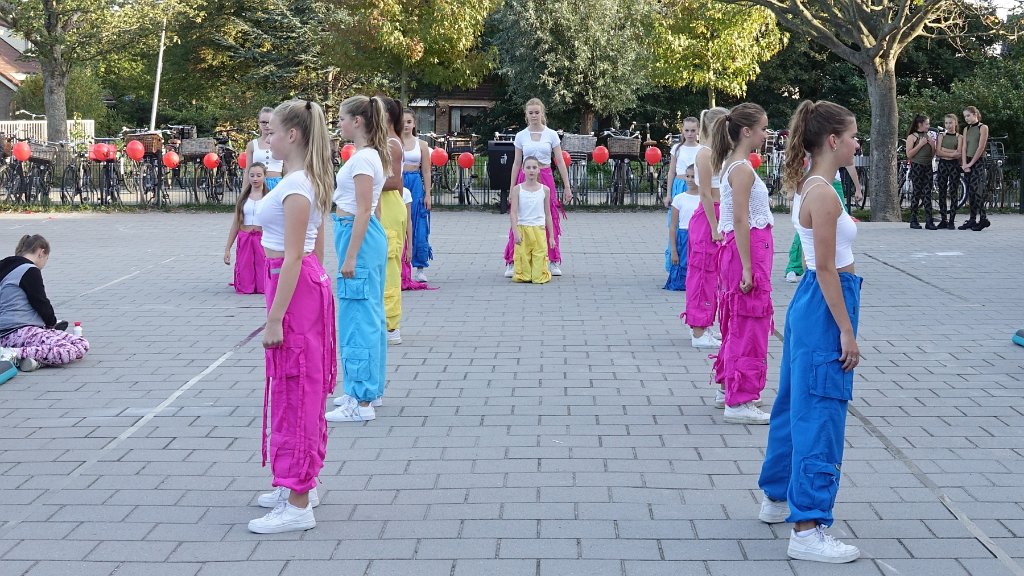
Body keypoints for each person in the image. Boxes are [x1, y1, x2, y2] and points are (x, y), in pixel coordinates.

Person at [758, 100, 863, 564]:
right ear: (834, 141)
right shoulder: (824, 193)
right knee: (820, 411)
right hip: (826, 304)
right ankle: (808, 527)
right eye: (855, 136)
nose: (859, 143)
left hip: (811, 305)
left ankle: (776, 497)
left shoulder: (812, 185)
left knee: (793, 403)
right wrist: (846, 330)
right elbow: (824, 268)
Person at [248, 99, 337, 534]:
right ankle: (296, 481)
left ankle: (299, 501)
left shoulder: (299, 185)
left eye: (273, 132)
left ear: (294, 136)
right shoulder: (295, 180)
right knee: (290, 387)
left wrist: (276, 318)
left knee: (300, 386)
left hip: (293, 285)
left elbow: (300, 256)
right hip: (293, 284)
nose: (268, 137)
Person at [325, 95, 390, 423]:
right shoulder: (369, 156)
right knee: (371, 316)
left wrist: (350, 257)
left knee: (358, 320)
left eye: (341, 118)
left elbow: (365, 208)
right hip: (362, 236)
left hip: (357, 236)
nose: (338, 123)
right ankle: (369, 390)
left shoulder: (364, 159)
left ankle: (360, 400)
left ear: (358, 121)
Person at [709, 103, 773, 425]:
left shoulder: (735, 165)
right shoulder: (742, 169)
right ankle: (740, 399)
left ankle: (728, 385)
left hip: (742, 250)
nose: (766, 133)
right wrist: (748, 267)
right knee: (749, 322)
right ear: (746, 131)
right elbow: (741, 220)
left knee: (736, 319)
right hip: (747, 250)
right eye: (763, 128)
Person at [503, 98, 573, 278]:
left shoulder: (551, 135)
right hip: (524, 179)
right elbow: (517, 162)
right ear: (526, 115)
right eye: (531, 112)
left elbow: (559, 161)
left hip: (546, 177)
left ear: (542, 113)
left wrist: (567, 186)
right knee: (519, 217)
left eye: (537, 112)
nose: (534, 116)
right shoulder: (521, 136)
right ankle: (512, 260)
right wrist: (512, 188)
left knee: (549, 216)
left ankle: (552, 259)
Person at [0, 235, 88, 371]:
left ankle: (34, 361)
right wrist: (51, 323)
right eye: (46, 259)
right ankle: (10, 354)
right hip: (16, 331)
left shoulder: (5, 267)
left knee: (81, 343)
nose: (44, 265)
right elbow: (41, 302)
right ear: (41, 253)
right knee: (66, 351)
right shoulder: (29, 269)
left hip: (22, 330)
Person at [682, 107, 728, 350]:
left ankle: (706, 325)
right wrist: (714, 227)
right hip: (709, 217)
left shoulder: (716, 153)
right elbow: (705, 194)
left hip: (717, 214)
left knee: (712, 276)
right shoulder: (705, 154)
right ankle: (698, 332)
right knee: (702, 274)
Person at [784, 165, 861, 283]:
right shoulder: (815, 150)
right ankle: (794, 267)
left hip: (834, 183)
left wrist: (858, 188)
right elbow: (798, 161)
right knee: (806, 229)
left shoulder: (839, 152)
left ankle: (838, 267)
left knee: (840, 228)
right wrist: (792, 187)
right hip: (814, 182)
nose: (856, 145)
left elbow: (850, 164)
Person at [379, 98, 409, 345]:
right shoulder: (380, 141)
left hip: (389, 206)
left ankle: (391, 324)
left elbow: (395, 181)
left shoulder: (391, 144)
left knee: (389, 266)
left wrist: (364, 182)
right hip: (381, 207)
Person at [510, 156, 554, 284]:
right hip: (523, 228)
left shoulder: (545, 190)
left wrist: (551, 236)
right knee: (523, 271)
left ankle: (540, 271)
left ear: (539, 170)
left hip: (539, 229)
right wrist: (515, 232)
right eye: (528, 167)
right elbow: (513, 213)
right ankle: (524, 272)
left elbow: (548, 214)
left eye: (534, 167)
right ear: (523, 170)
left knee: (537, 276)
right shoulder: (517, 189)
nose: (531, 170)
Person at [224, 163, 267, 294]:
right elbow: (236, 223)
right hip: (245, 237)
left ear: (264, 176)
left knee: (263, 282)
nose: (255, 179)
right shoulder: (243, 198)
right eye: (252, 175)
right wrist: (227, 248)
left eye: (259, 175)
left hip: (262, 238)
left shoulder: (269, 197)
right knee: (245, 279)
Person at [664, 117, 700, 271]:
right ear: (682, 131)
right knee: (675, 224)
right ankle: (674, 262)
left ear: (698, 130)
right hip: (679, 185)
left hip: (696, 187)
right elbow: (671, 171)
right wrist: (668, 193)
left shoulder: (702, 149)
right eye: (687, 130)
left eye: (693, 130)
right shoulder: (677, 149)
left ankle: (692, 261)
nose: (690, 133)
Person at [402, 109, 433, 282]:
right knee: (399, 222)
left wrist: (427, 193)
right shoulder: (393, 142)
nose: (405, 125)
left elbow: (426, 170)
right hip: (398, 183)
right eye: (403, 122)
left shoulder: (421, 145)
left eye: (409, 122)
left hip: (415, 183)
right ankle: (399, 264)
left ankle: (420, 266)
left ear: (414, 124)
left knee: (418, 223)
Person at [665, 164, 699, 291]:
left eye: (693, 177)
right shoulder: (679, 198)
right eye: (687, 176)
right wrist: (673, 250)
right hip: (683, 237)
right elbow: (673, 226)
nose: (689, 180)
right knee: (682, 264)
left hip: (699, 237)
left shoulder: (705, 198)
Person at [960, 106, 990, 231]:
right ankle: (972, 219)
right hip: (967, 161)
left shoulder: (983, 127)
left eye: (968, 115)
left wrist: (971, 163)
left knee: (978, 191)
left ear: (974, 114)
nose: (966, 118)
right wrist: (964, 163)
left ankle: (983, 218)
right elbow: (964, 147)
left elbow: (980, 147)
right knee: (970, 192)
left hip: (978, 161)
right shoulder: (966, 129)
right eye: (965, 116)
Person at [905, 115, 937, 229]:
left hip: (927, 166)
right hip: (917, 166)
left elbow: (932, 154)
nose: (929, 126)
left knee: (927, 192)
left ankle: (929, 220)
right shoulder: (912, 137)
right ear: (920, 124)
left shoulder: (928, 136)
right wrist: (920, 144)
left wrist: (933, 145)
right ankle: (913, 219)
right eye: (927, 124)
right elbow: (909, 154)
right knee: (917, 192)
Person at [246, 107, 286, 190]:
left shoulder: (282, 142)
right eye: (263, 122)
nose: (267, 125)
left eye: (270, 122)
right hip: (257, 185)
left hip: (277, 184)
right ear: (259, 123)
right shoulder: (252, 145)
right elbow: (247, 171)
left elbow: (287, 168)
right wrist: (243, 194)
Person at [934, 114, 963, 229]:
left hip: (954, 166)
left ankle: (952, 220)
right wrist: (951, 153)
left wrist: (945, 151)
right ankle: (943, 219)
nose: (948, 125)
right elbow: (938, 152)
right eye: (946, 123)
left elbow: (959, 153)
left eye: (950, 123)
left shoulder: (959, 137)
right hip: (943, 165)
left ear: (955, 123)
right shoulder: (941, 136)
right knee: (941, 191)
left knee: (953, 191)